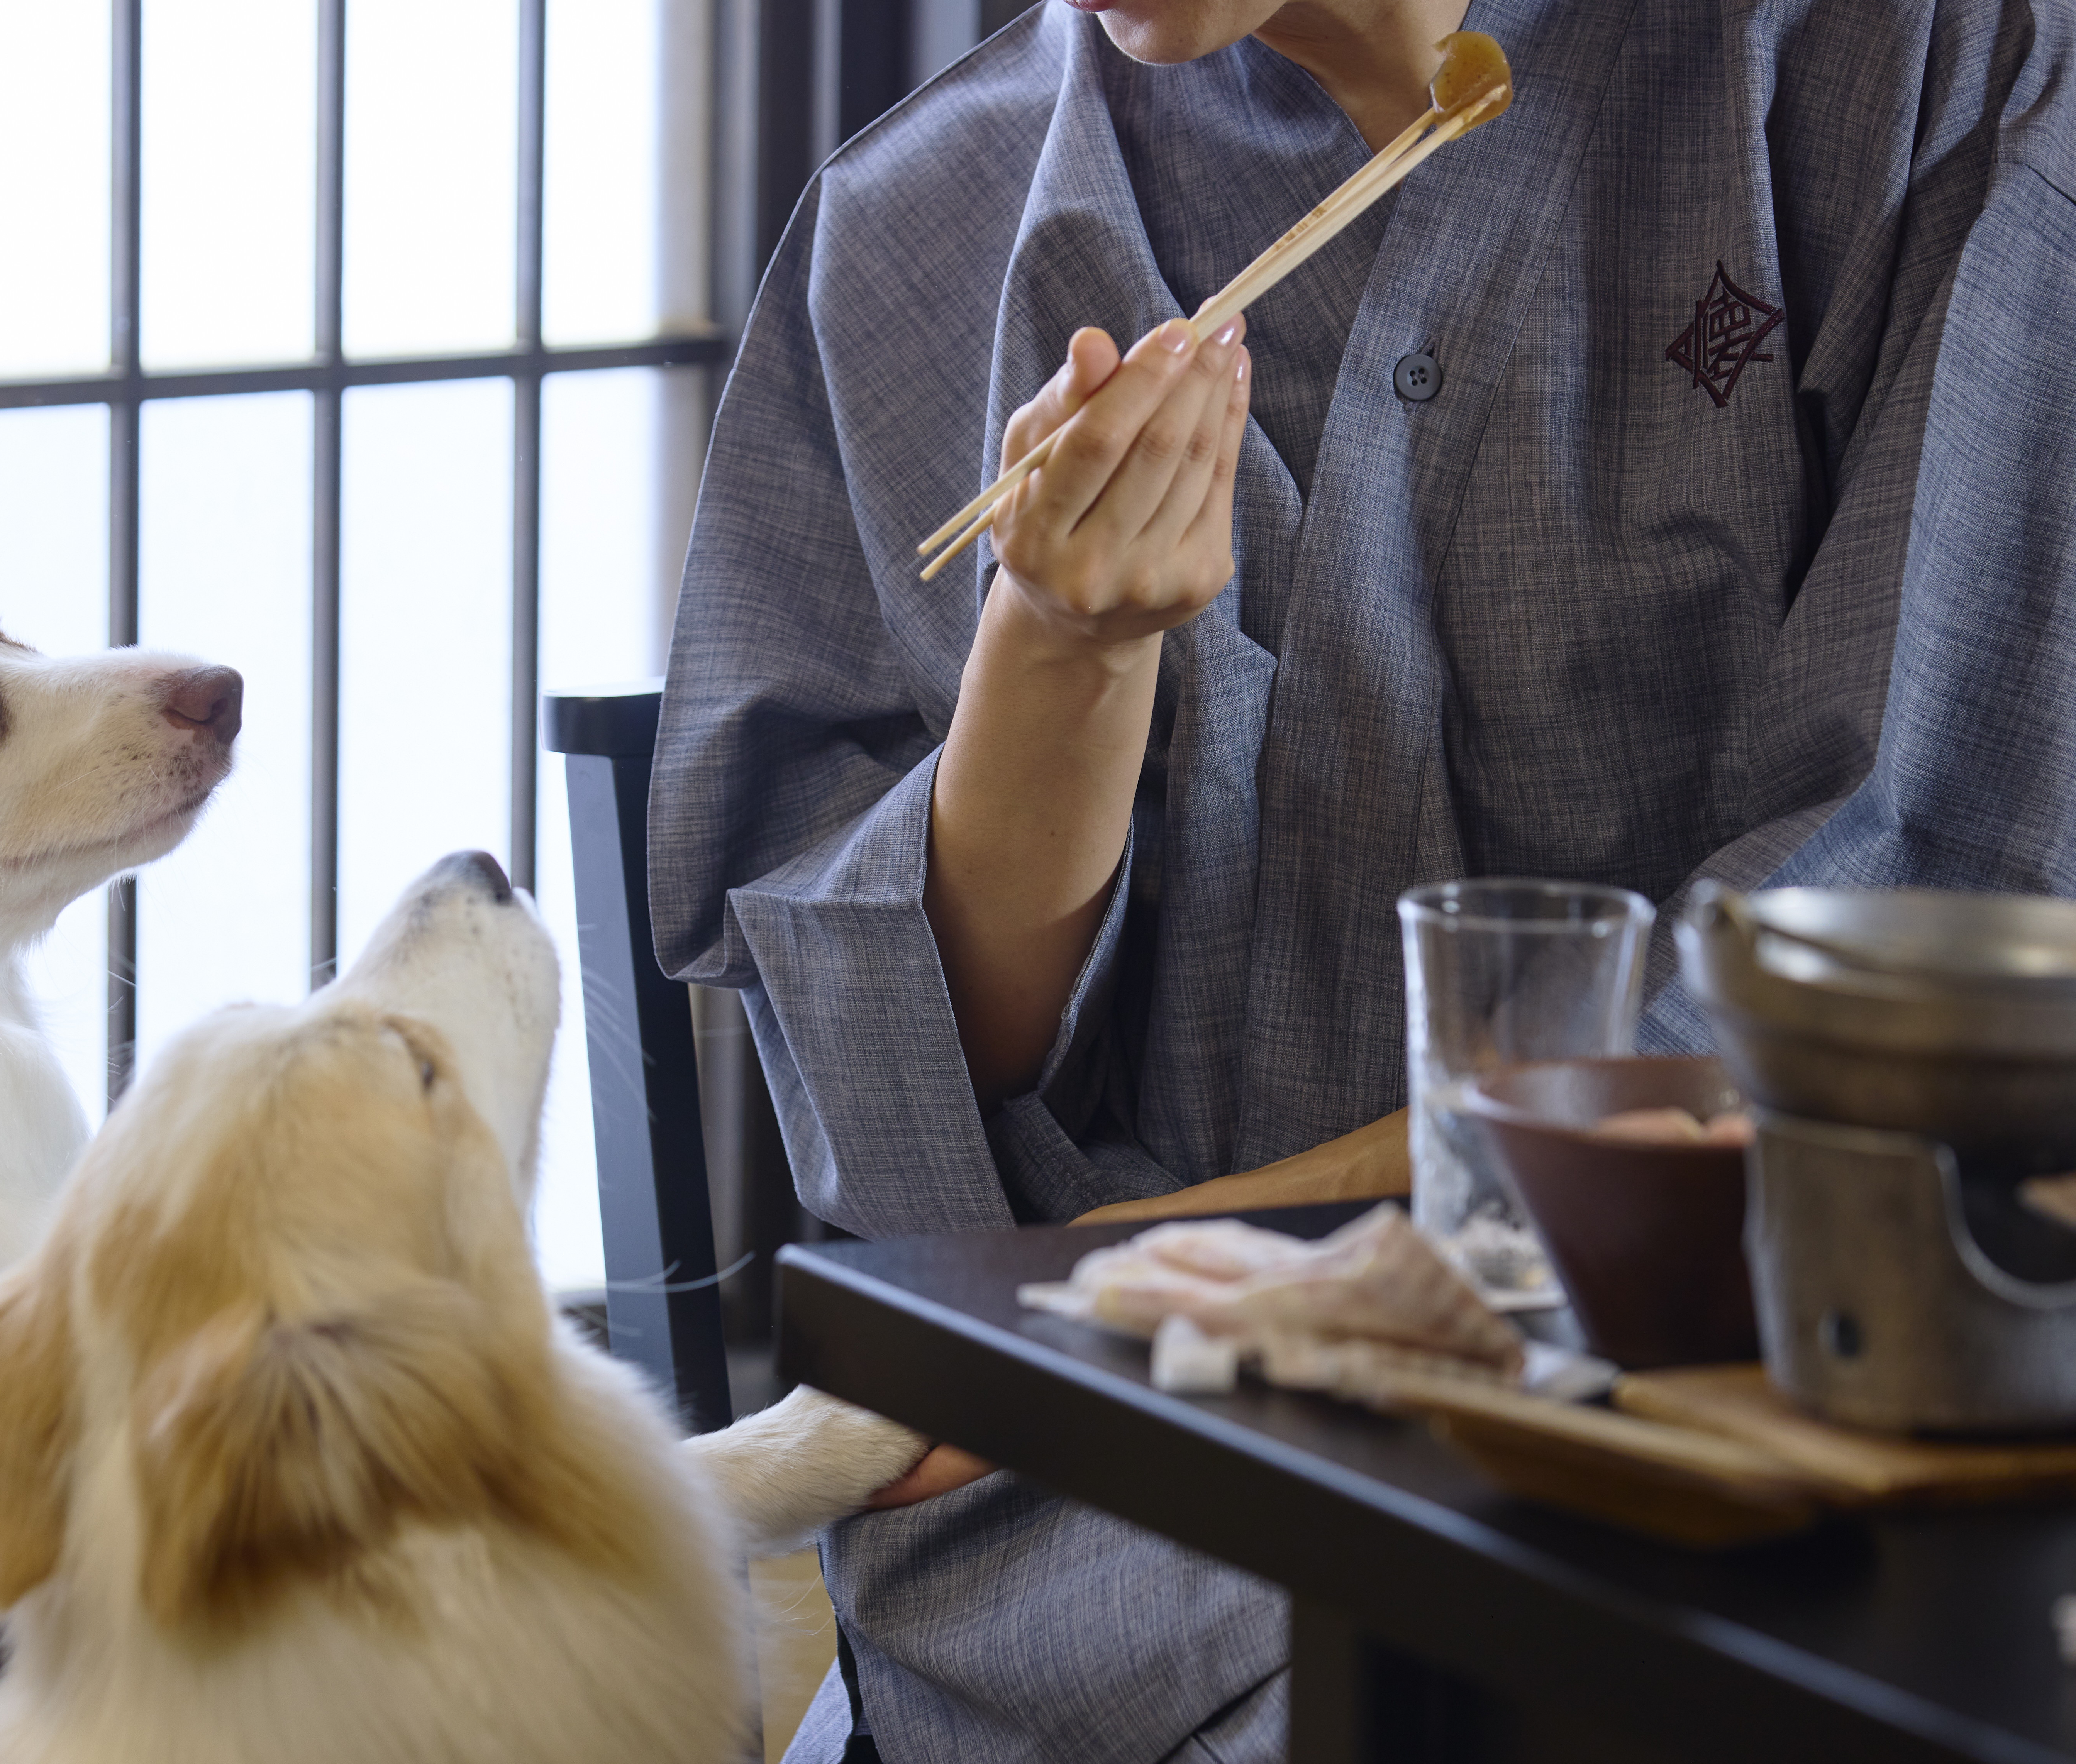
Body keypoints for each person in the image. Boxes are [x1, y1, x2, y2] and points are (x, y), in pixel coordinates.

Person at [648, 0, 2076, 1756]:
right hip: (1118, 1494)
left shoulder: (1919, 61)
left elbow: (1927, 896)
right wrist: (1064, 652)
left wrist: (1166, 1255)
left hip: (1734, 1410)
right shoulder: (927, 220)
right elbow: (926, 1109)